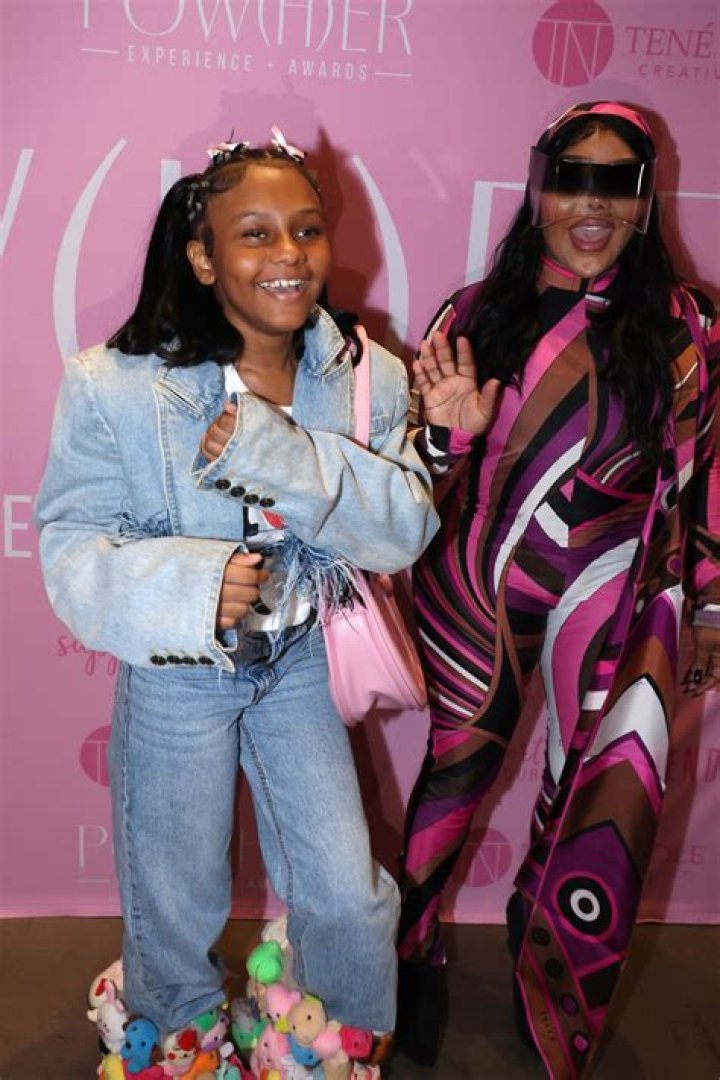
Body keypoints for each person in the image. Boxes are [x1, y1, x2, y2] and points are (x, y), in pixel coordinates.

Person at [35, 130, 439, 1077]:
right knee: (174, 890)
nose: (288, 255)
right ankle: (171, 1024)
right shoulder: (115, 385)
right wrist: (191, 586)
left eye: (307, 229)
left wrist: (282, 456)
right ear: (203, 255)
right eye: (254, 233)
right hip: (177, 675)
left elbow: (403, 531)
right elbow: (69, 547)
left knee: (343, 888)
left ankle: (330, 1032)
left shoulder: (366, 374)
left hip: (299, 662)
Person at [394, 101, 719, 1078]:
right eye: (574, 179)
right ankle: (410, 957)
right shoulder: (472, 315)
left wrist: (708, 602)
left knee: (597, 790)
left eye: (617, 184)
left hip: (617, 591)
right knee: (455, 773)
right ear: (540, 188)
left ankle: (549, 963)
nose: (593, 205)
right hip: (477, 582)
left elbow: (707, 474)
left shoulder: (690, 326)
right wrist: (441, 437)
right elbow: (414, 467)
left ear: (646, 198)